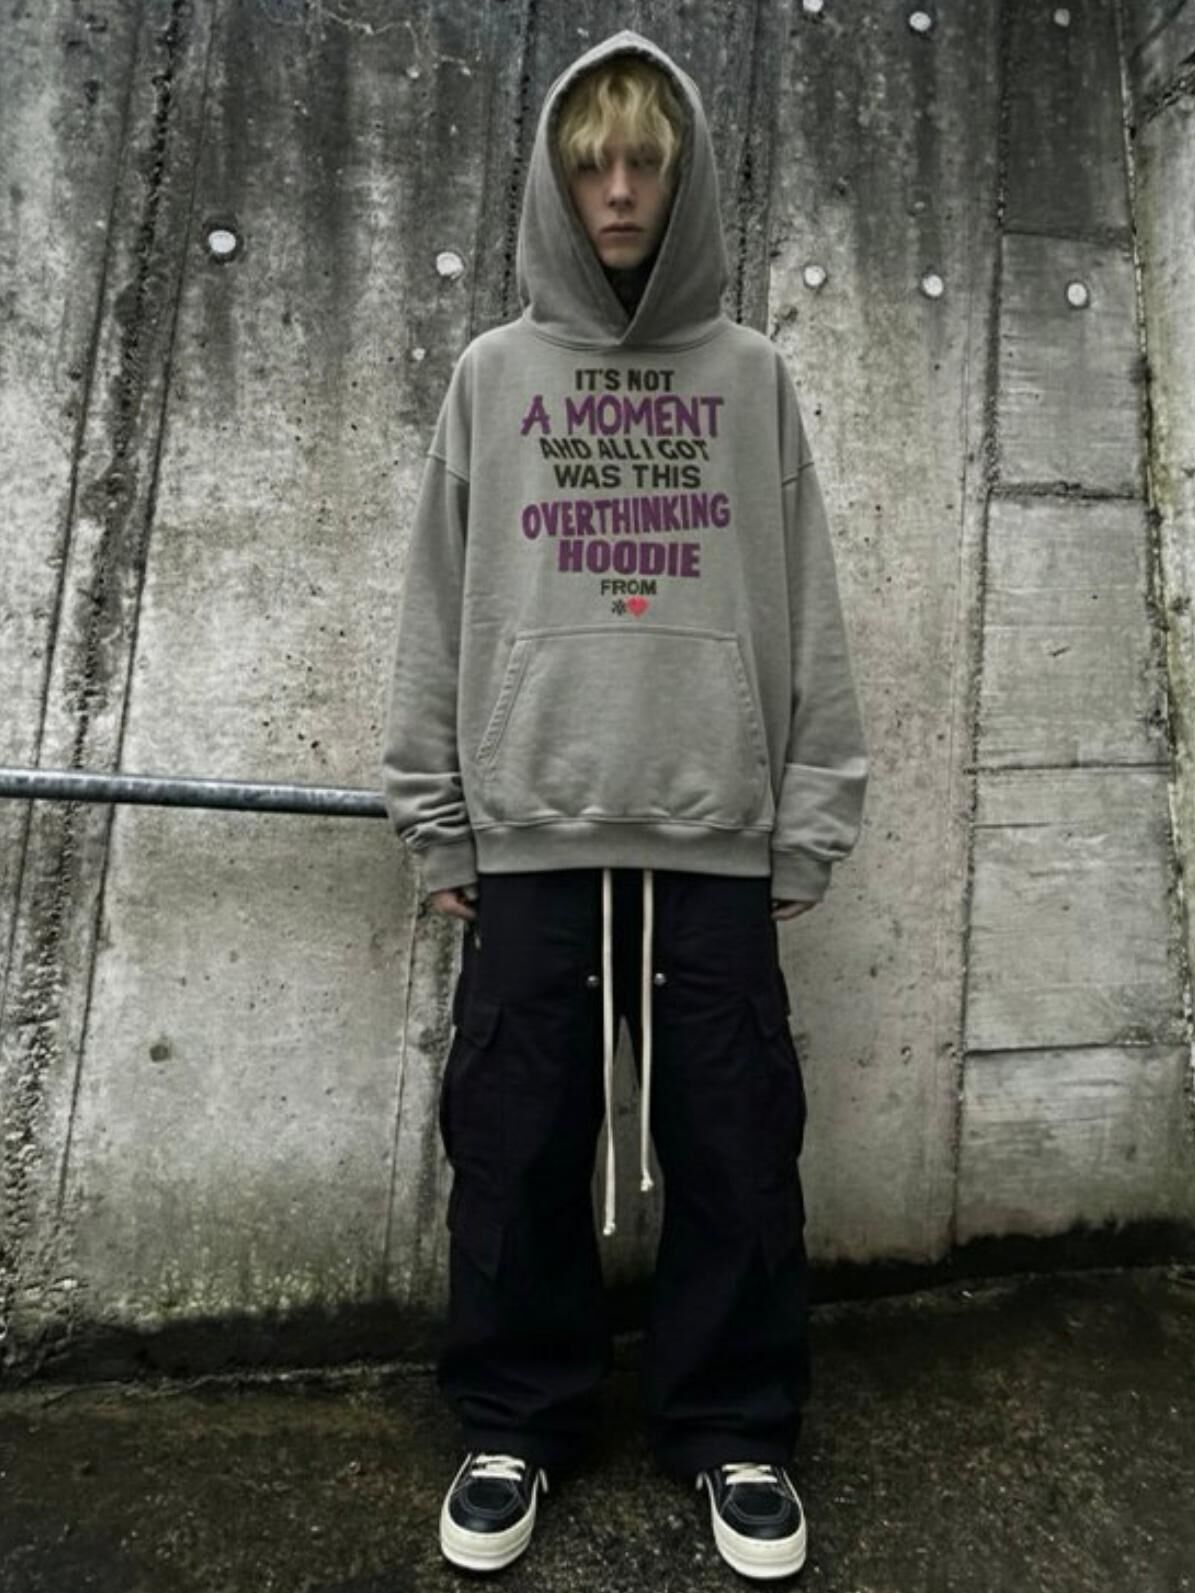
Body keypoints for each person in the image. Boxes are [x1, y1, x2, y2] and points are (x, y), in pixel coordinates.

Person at [380, 28, 868, 1581]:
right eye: (590, 162)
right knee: (513, 1138)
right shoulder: (493, 377)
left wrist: (811, 810)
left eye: (644, 161)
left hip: (712, 834)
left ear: (682, 176)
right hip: (533, 830)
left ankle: (734, 1427)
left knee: (737, 1141)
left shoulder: (752, 379)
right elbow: (438, 599)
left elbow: (809, 598)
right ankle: (514, 1419)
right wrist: (434, 810)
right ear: (555, 177)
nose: (616, 190)